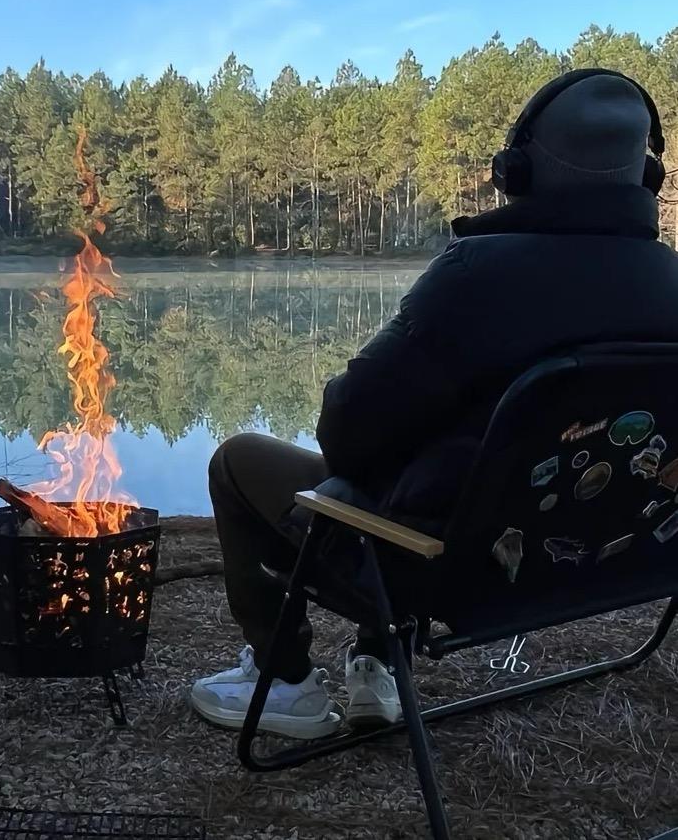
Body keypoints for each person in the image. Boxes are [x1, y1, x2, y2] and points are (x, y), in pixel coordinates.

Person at [190, 69, 678, 739]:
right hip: (621, 558)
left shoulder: (476, 277)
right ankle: (375, 663)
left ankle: (284, 680)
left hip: (448, 569)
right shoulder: (672, 282)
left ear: (515, 172)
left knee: (238, 460)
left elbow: (345, 435)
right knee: (431, 456)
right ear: (645, 178)